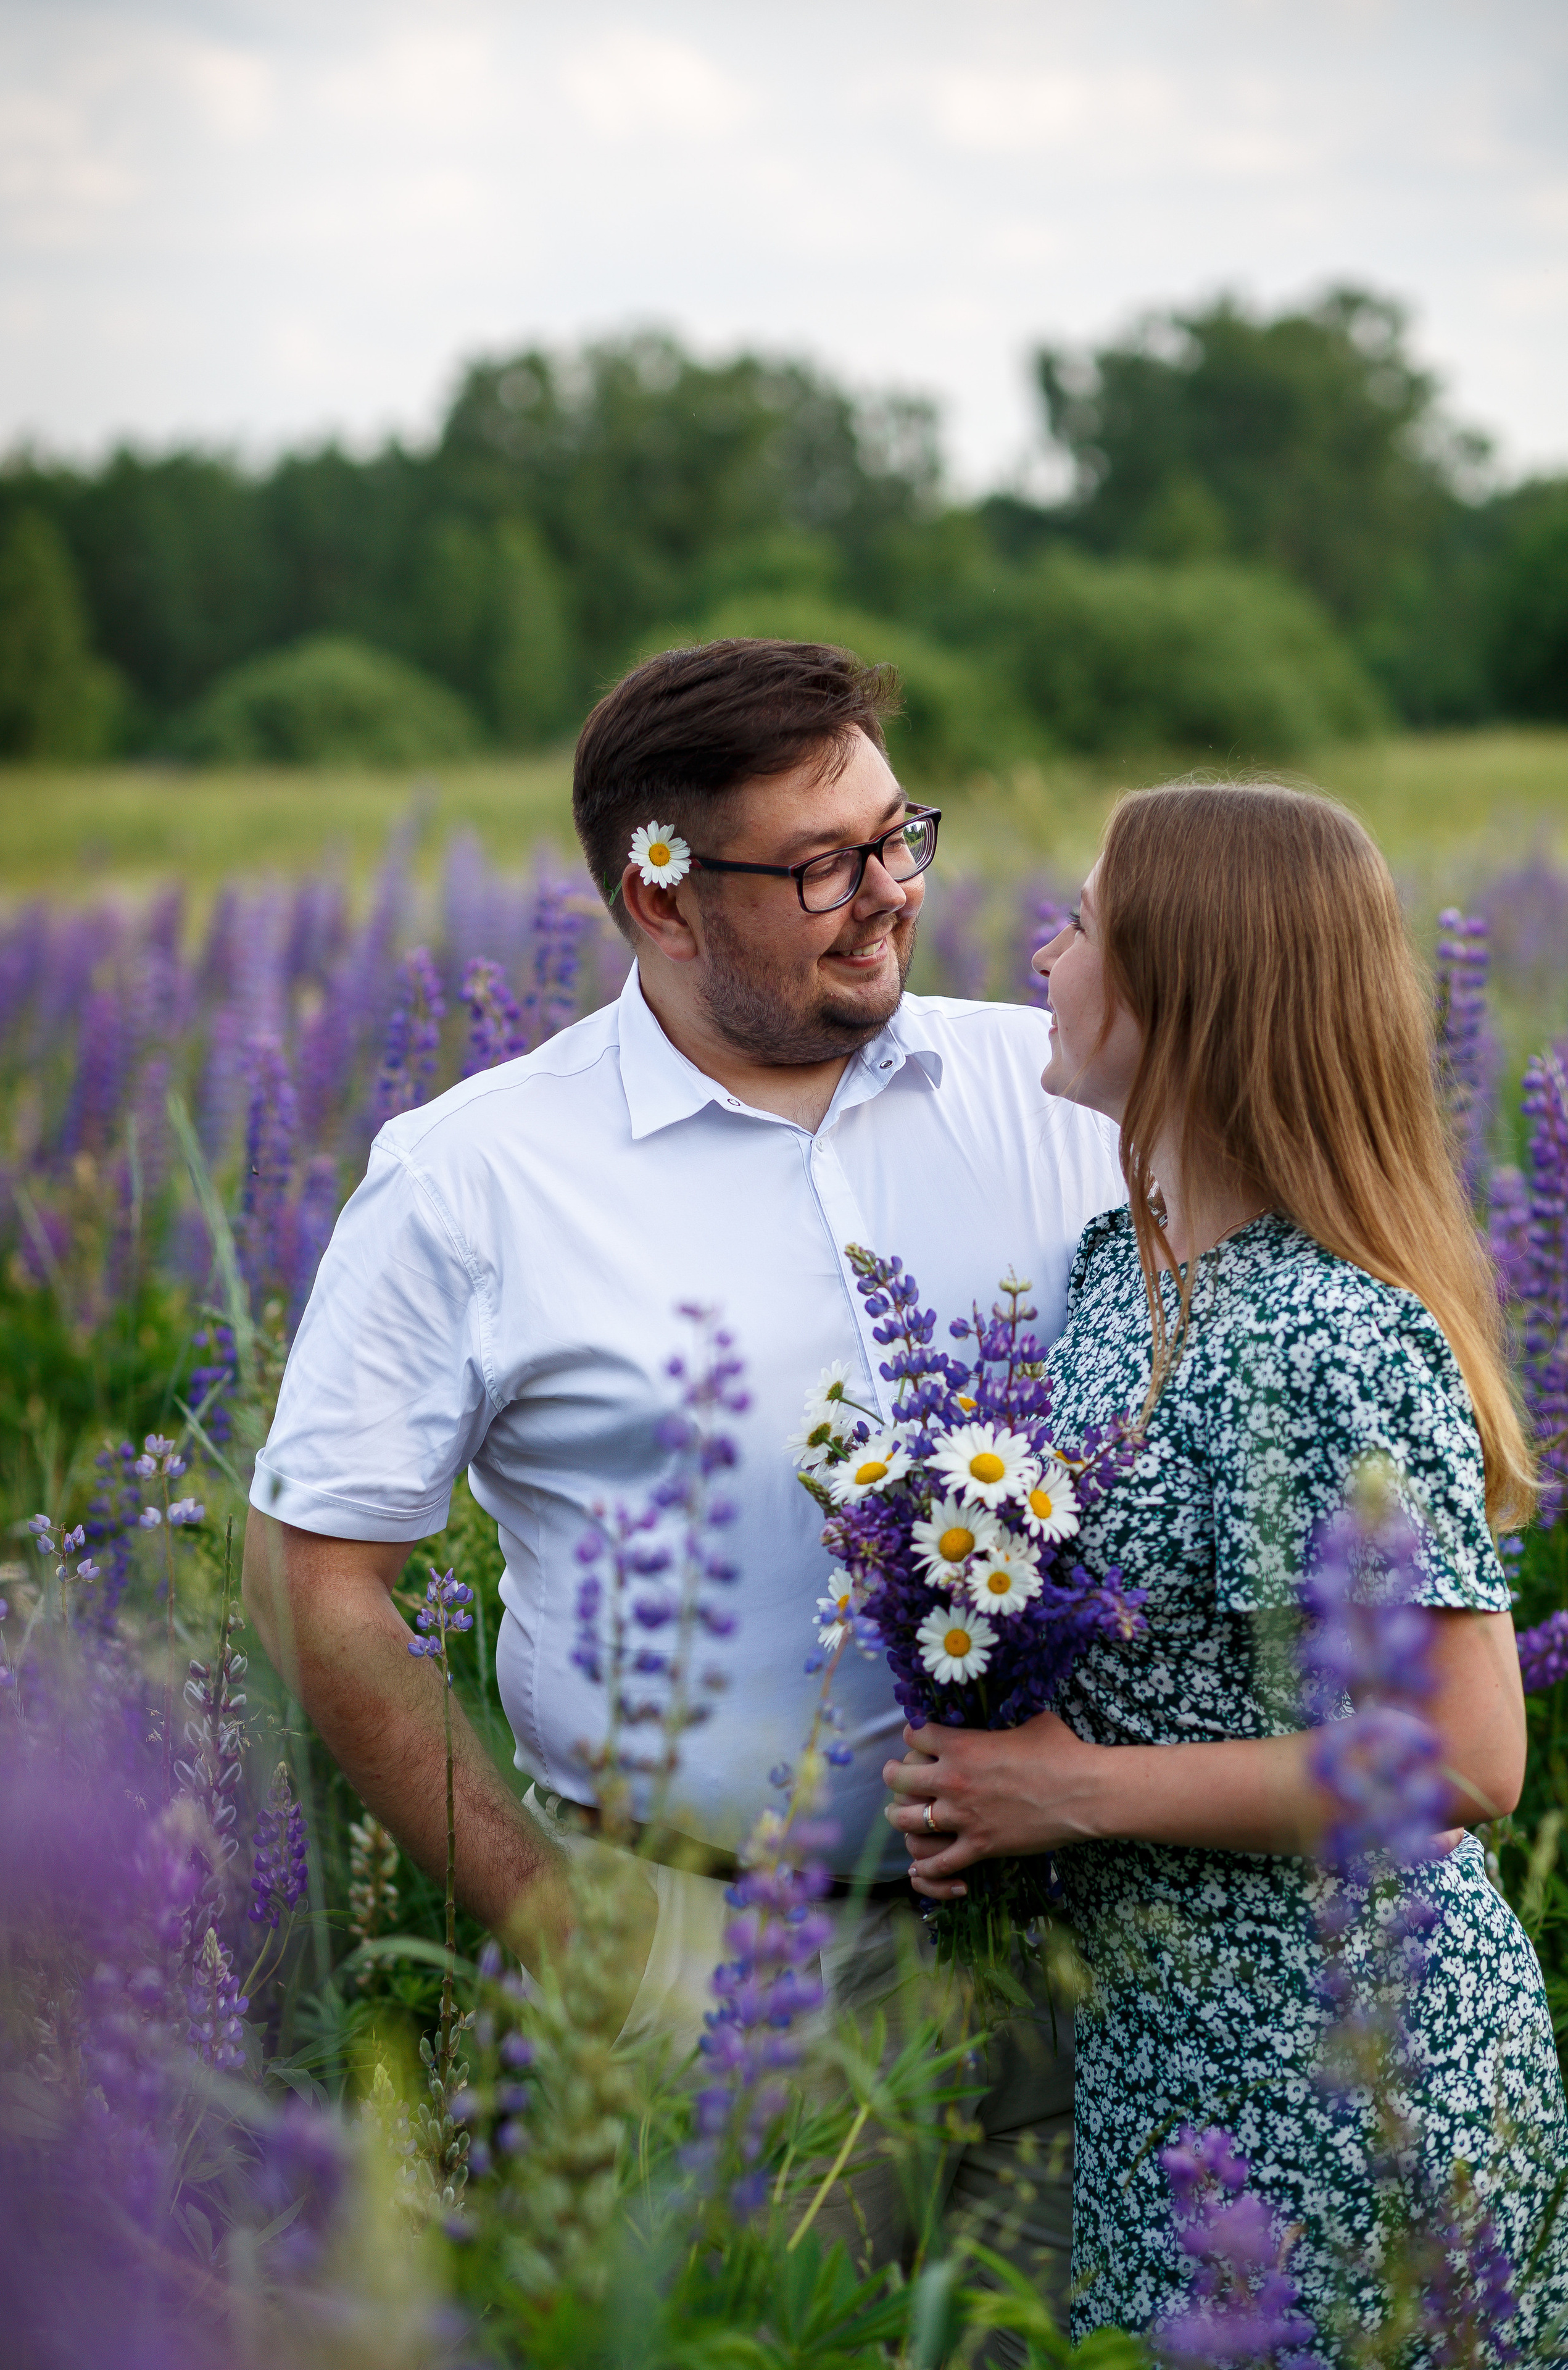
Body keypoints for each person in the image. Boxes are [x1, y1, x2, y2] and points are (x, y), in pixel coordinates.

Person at [241, 638, 1122, 2298]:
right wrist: (557, 1925)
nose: (886, 895)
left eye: (896, 835)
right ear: (659, 894)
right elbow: (313, 1575)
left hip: (1069, 1935)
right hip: (702, 1959)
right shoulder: (475, 1177)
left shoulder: (1059, 1086)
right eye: (819, 868)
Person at [884, 781, 1568, 2345]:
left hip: (1345, 2062)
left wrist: (1067, 1794)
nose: (1039, 954)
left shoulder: (1335, 1328)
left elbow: (1466, 1756)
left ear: (1181, 994)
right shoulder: (1111, 1275)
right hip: (1154, 2049)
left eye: (1078, 924)